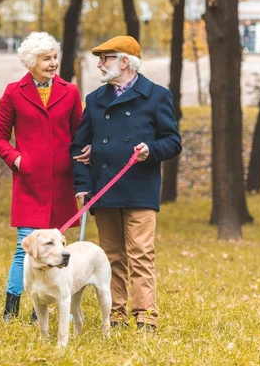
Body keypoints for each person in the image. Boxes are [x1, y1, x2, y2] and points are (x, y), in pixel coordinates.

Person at [71, 36, 182, 330]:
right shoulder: (95, 99)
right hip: (104, 192)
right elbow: (78, 148)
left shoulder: (157, 95)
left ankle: (145, 316)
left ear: (124, 62)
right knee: (110, 257)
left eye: (105, 58)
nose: (99, 64)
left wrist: (150, 150)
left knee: (141, 255)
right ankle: (116, 315)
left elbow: (173, 141)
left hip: (140, 190)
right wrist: (82, 186)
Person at [0, 32, 84, 322]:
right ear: (32, 62)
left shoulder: (70, 92)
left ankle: (39, 312)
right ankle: (10, 310)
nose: (53, 63)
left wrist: (83, 163)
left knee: (55, 250)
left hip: (61, 185)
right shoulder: (13, 92)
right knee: (26, 250)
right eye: (46, 58)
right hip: (29, 184)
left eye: (55, 57)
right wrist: (17, 159)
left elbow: (79, 135)